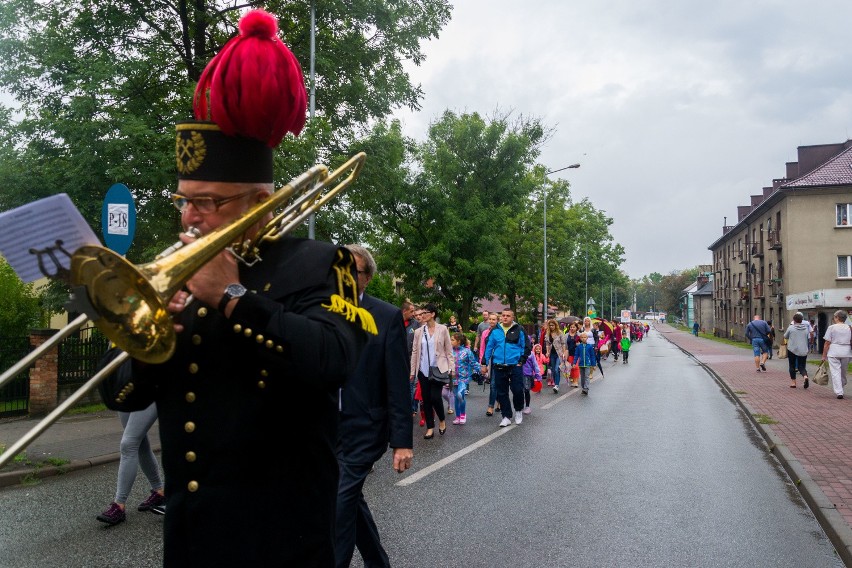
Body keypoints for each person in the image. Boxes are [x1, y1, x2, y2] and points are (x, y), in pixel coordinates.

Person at [97, 10, 371, 566]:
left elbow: (334, 360)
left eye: (209, 201)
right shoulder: (175, 275)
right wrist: (154, 340)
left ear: (257, 200)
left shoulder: (319, 263)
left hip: (282, 540)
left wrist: (232, 296)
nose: (191, 217)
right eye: (186, 200)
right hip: (194, 540)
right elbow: (119, 396)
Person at [336, 244, 413, 568]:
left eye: (351, 271)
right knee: (349, 500)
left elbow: (397, 382)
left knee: (338, 502)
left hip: (365, 427)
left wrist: (401, 442)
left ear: (367, 277)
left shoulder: (386, 316)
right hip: (327, 426)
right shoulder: (320, 311)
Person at [96, 404, 165, 526]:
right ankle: (159, 492)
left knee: (129, 444)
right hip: (126, 391)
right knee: (140, 443)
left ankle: (119, 505)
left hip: (151, 389)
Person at [410, 303, 454, 439]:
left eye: (425, 313)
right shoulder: (418, 332)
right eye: (421, 313)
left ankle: (441, 420)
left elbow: (449, 350)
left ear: (432, 314)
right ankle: (430, 427)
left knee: (435, 397)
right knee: (426, 399)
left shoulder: (443, 329)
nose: (422, 315)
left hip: (438, 369)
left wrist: (451, 368)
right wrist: (412, 372)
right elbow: (415, 352)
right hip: (423, 370)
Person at [481, 309, 530, 427]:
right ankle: (506, 416)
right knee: (501, 392)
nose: (505, 317)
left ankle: (518, 411)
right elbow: (489, 347)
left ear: (513, 317)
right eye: (503, 315)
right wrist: (484, 363)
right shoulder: (495, 330)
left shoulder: (519, 329)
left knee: (517, 389)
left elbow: (526, 346)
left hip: (514, 365)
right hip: (498, 365)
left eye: (508, 315)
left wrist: (521, 360)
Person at [822, 310, 852, 399]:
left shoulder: (831, 327)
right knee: (843, 371)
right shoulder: (849, 328)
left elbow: (827, 342)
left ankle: (839, 391)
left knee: (835, 372)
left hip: (834, 351)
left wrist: (824, 355)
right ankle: (841, 386)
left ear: (837, 317)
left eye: (835, 317)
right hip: (846, 351)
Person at [451, 331, 478, 424]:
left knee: (460, 395)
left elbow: (473, 363)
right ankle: (457, 416)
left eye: (452, 340)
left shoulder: (467, 351)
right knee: (456, 397)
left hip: (463, 378)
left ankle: (463, 414)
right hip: (453, 378)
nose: (450, 341)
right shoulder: (450, 351)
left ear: (458, 341)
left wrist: (481, 370)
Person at [783, 312, 811, 389]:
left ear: (794, 320)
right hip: (803, 349)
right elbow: (807, 337)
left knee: (792, 365)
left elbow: (785, 336)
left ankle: (793, 382)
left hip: (792, 349)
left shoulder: (791, 328)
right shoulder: (805, 329)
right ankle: (805, 377)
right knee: (801, 366)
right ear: (802, 320)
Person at [479, 313, 499, 416]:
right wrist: (483, 363)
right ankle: (493, 404)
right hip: (489, 359)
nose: (491, 321)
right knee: (493, 383)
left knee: (496, 383)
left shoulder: (500, 332)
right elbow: (482, 348)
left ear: (497, 321)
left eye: (494, 319)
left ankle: (494, 404)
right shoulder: (485, 333)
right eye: (490, 319)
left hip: (498, 360)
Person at [543, 318, 567, 394]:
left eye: (552, 325)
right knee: (553, 370)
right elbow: (547, 344)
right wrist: (547, 352)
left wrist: (563, 352)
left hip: (559, 353)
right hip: (552, 354)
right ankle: (556, 383)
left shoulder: (559, 333)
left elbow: (563, 343)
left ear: (555, 325)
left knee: (557, 369)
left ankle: (556, 385)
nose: (551, 327)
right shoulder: (548, 334)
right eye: (550, 325)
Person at [521, 338, 542, 415]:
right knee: (519, 391)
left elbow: (535, 365)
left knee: (526, 390)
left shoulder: (531, 354)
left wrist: (537, 375)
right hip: (518, 374)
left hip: (527, 374)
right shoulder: (517, 352)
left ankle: (527, 406)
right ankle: (520, 405)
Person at [573, 331, 597, 395]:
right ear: (580, 338)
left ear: (587, 338)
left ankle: (586, 388)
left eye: (585, 337)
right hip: (581, 364)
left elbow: (592, 356)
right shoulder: (579, 347)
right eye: (582, 337)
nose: (583, 338)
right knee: (582, 377)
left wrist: (593, 364)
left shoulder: (589, 346)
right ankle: (583, 387)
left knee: (587, 376)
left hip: (587, 364)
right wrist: (574, 363)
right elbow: (576, 355)